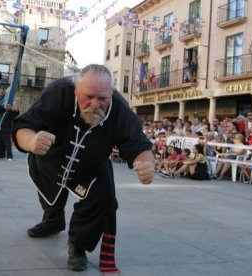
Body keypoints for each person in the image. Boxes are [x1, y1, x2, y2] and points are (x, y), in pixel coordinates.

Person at [13, 64, 155, 272]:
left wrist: (147, 165)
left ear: (111, 95)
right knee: (50, 196)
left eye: (102, 99)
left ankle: (78, 246)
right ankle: (52, 221)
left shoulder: (119, 110)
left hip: (91, 165)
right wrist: (32, 141)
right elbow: (23, 125)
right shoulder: (59, 92)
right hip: (52, 156)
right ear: (75, 90)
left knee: (102, 198)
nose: (95, 104)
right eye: (88, 96)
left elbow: (140, 146)